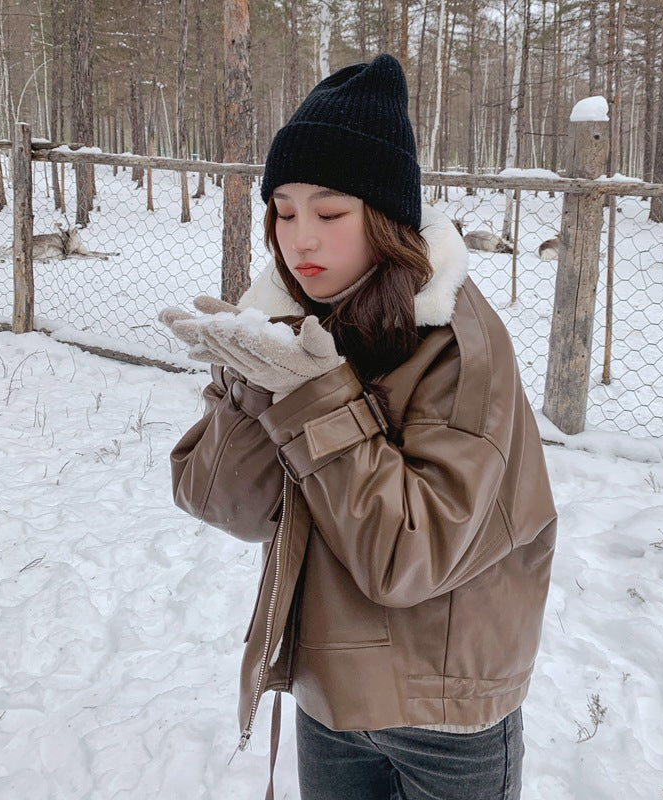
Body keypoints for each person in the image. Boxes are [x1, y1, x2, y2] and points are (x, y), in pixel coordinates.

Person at [160, 54, 556, 800]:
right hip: (332, 693)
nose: (299, 239)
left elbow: (411, 557)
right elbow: (220, 503)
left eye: (330, 213)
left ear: (384, 215)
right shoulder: (302, 322)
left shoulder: (457, 343)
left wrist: (314, 398)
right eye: (283, 210)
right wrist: (250, 385)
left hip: (446, 715)